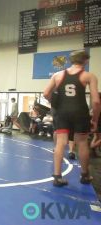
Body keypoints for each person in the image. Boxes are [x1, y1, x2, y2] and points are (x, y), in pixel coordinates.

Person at [43, 50, 100, 187]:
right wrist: (95, 120)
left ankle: (57, 176)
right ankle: (85, 175)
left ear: (70, 61)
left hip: (62, 112)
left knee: (60, 143)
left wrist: (55, 103)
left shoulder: (57, 75)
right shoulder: (89, 76)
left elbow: (45, 93)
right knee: (81, 143)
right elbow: (96, 101)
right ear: (86, 61)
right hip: (80, 112)